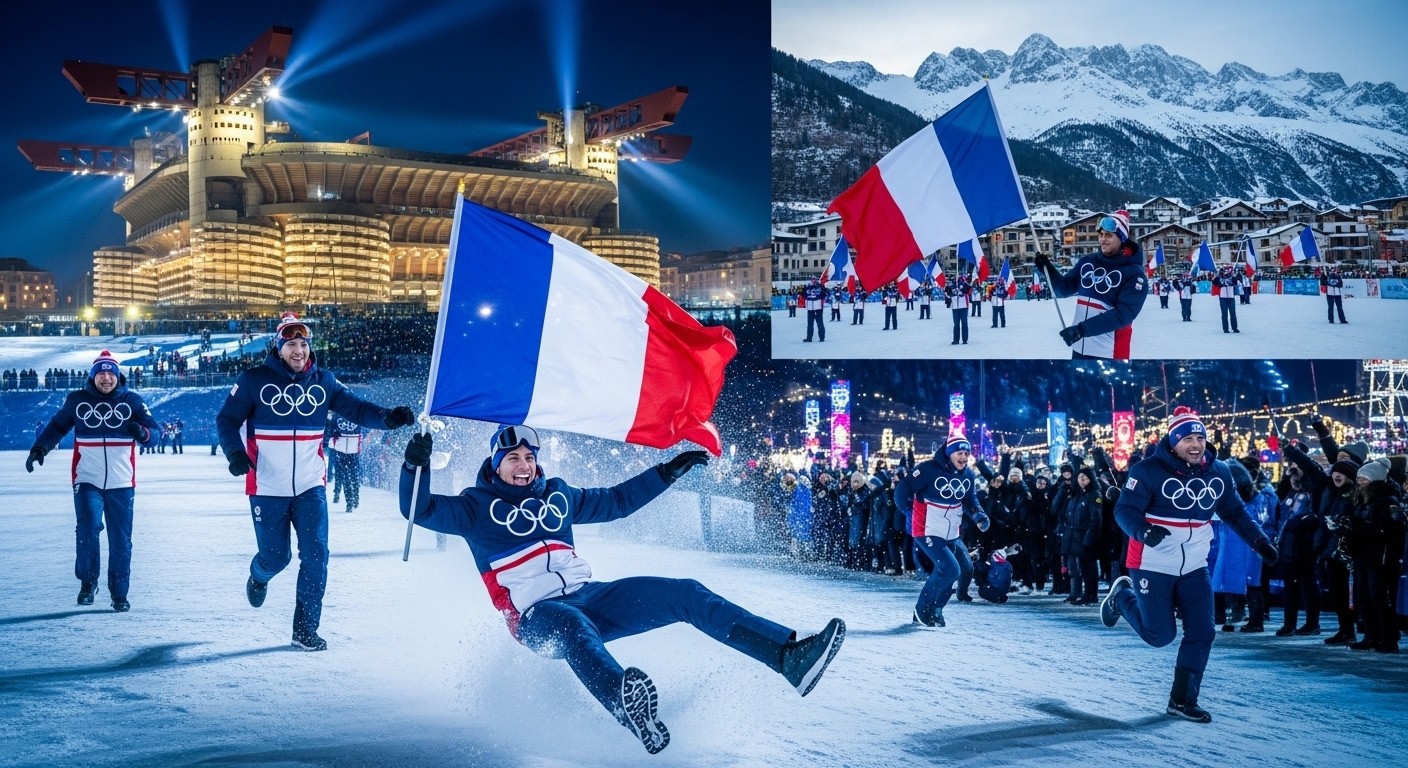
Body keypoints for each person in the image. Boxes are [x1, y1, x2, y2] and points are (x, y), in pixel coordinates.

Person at [398, 426, 845, 753]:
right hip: (536, 618)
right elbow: (419, 509)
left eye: (530, 458)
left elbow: (615, 502)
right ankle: (625, 704)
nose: (524, 466)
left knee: (685, 593)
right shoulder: (475, 508)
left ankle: (788, 657)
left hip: (591, 597)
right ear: (496, 464)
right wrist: (414, 463)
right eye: (513, 458)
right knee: (572, 625)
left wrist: (666, 473)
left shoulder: (558, 494)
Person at [215, 312, 416, 651]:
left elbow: (356, 408)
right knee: (276, 558)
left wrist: (387, 417)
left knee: (316, 555)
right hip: (267, 486)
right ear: (279, 348)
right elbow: (227, 419)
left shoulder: (324, 381)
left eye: (303, 344)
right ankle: (259, 575)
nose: (298, 351)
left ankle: (305, 629)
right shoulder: (253, 380)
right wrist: (235, 453)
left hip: (310, 486)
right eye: (291, 344)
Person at [1098, 407, 1278, 723]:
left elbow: (1235, 513)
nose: (1196, 445)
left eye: (1200, 438)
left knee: (1203, 632)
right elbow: (1124, 510)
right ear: (1173, 441)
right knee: (1160, 636)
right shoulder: (1147, 470)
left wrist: (1260, 542)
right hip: (1152, 561)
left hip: (1195, 565)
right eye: (1188, 439)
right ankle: (1120, 598)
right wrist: (1142, 531)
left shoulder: (1219, 472)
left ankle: (1182, 700)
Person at [26, 350, 160, 611]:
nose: (106, 378)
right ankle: (88, 583)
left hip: (122, 483)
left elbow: (155, 433)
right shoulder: (78, 400)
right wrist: (39, 449)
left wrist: (142, 432)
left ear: (117, 376)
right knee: (88, 530)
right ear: (93, 377)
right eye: (101, 374)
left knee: (121, 539)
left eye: (111, 373)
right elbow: (56, 426)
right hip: (87, 479)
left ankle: (119, 594)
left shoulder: (132, 401)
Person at [894, 434, 990, 628]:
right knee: (950, 568)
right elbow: (902, 489)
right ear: (949, 453)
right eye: (959, 453)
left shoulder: (968, 475)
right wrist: (908, 510)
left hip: (951, 531)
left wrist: (979, 516)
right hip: (926, 528)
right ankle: (921, 610)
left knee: (957, 569)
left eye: (966, 453)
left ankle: (936, 609)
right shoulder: (928, 469)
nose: (963, 457)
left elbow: (970, 500)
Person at [1034, 211, 1148, 359]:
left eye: (1109, 235)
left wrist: (1081, 330)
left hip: (1109, 353)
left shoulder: (1134, 274)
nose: (1103, 239)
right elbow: (1064, 289)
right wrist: (1047, 269)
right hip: (1080, 348)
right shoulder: (1088, 262)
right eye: (1101, 235)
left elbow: (1123, 315)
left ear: (1122, 238)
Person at [327, 413, 366, 512]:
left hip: (346, 450)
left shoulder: (338, 416)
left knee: (349, 477)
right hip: (346, 450)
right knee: (350, 477)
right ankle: (351, 500)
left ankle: (352, 499)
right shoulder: (355, 415)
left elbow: (330, 430)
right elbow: (330, 430)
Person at [1212, 266, 1240, 334]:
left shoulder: (1232, 278)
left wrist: (1233, 276)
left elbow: (1236, 282)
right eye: (1224, 272)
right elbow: (1214, 281)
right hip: (1223, 297)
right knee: (1224, 314)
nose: (1226, 273)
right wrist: (1219, 277)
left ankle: (1235, 328)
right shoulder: (1219, 278)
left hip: (1231, 297)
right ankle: (1225, 329)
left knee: (1233, 314)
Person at [946, 280, 970, 346]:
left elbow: (968, 290)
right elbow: (948, 294)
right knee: (956, 324)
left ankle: (965, 339)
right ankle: (956, 340)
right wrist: (952, 293)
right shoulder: (951, 286)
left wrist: (961, 291)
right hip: (955, 307)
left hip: (963, 306)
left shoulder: (964, 284)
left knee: (964, 323)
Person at [802, 278, 826, 342]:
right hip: (810, 308)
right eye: (812, 279)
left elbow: (824, 294)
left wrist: (821, 287)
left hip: (818, 308)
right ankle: (809, 338)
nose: (813, 281)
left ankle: (822, 337)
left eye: (814, 279)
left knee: (820, 323)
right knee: (810, 324)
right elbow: (803, 295)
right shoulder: (807, 287)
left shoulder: (820, 287)